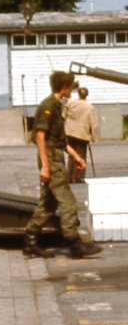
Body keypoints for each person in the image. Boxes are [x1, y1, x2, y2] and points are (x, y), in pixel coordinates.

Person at [23, 71, 102, 259]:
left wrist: (75, 156)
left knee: (48, 204)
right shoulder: (48, 106)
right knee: (67, 201)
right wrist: (45, 166)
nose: (72, 90)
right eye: (70, 87)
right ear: (64, 87)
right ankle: (74, 244)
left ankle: (30, 242)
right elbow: (40, 137)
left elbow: (58, 140)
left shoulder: (57, 106)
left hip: (55, 155)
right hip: (50, 158)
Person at [64, 86, 98, 184]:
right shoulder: (89, 107)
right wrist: (94, 137)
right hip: (82, 133)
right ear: (86, 95)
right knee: (81, 154)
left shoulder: (70, 104)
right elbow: (93, 123)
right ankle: (77, 176)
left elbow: (63, 115)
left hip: (70, 132)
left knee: (72, 154)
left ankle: (69, 176)